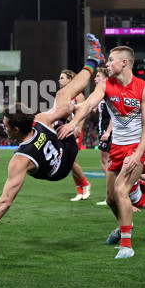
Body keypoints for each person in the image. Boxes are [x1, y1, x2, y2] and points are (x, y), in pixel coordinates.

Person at [0, 34, 104, 245]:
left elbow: (5, 201)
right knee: (64, 96)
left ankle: (98, 73)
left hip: (59, 170)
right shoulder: (40, 120)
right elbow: (64, 107)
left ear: (16, 129)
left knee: (64, 97)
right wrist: (75, 117)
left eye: (5, 125)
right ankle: (93, 61)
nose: (3, 128)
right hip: (66, 145)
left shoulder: (21, 159)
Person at [58, 45, 145, 259]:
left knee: (122, 190)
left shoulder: (144, 89)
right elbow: (87, 104)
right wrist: (74, 123)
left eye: (111, 60)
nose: (107, 63)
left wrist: (137, 155)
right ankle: (123, 227)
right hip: (116, 147)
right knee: (111, 199)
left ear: (124, 63)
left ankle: (127, 246)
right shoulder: (105, 86)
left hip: (138, 147)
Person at [56, 69, 92, 201]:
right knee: (70, 161)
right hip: (65, 129)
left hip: (74, 129)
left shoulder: (78, 95)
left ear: (70, 80)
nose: (59, 80)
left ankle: (85, 184)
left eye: (62, 78)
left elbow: (82, 112)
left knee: (71, 160)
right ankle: (80, 190)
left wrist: (79, 127)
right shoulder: (62, 95)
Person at [93, 67, 112, 206]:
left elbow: (114, 115)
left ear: (105, 78)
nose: (95, 78)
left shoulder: (108, 92)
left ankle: (111, 196)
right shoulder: (102, 93)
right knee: (108, 164)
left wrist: (108, 132)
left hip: (107, 132)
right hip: (104, 131)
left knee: (106, 164)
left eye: (98, 76)